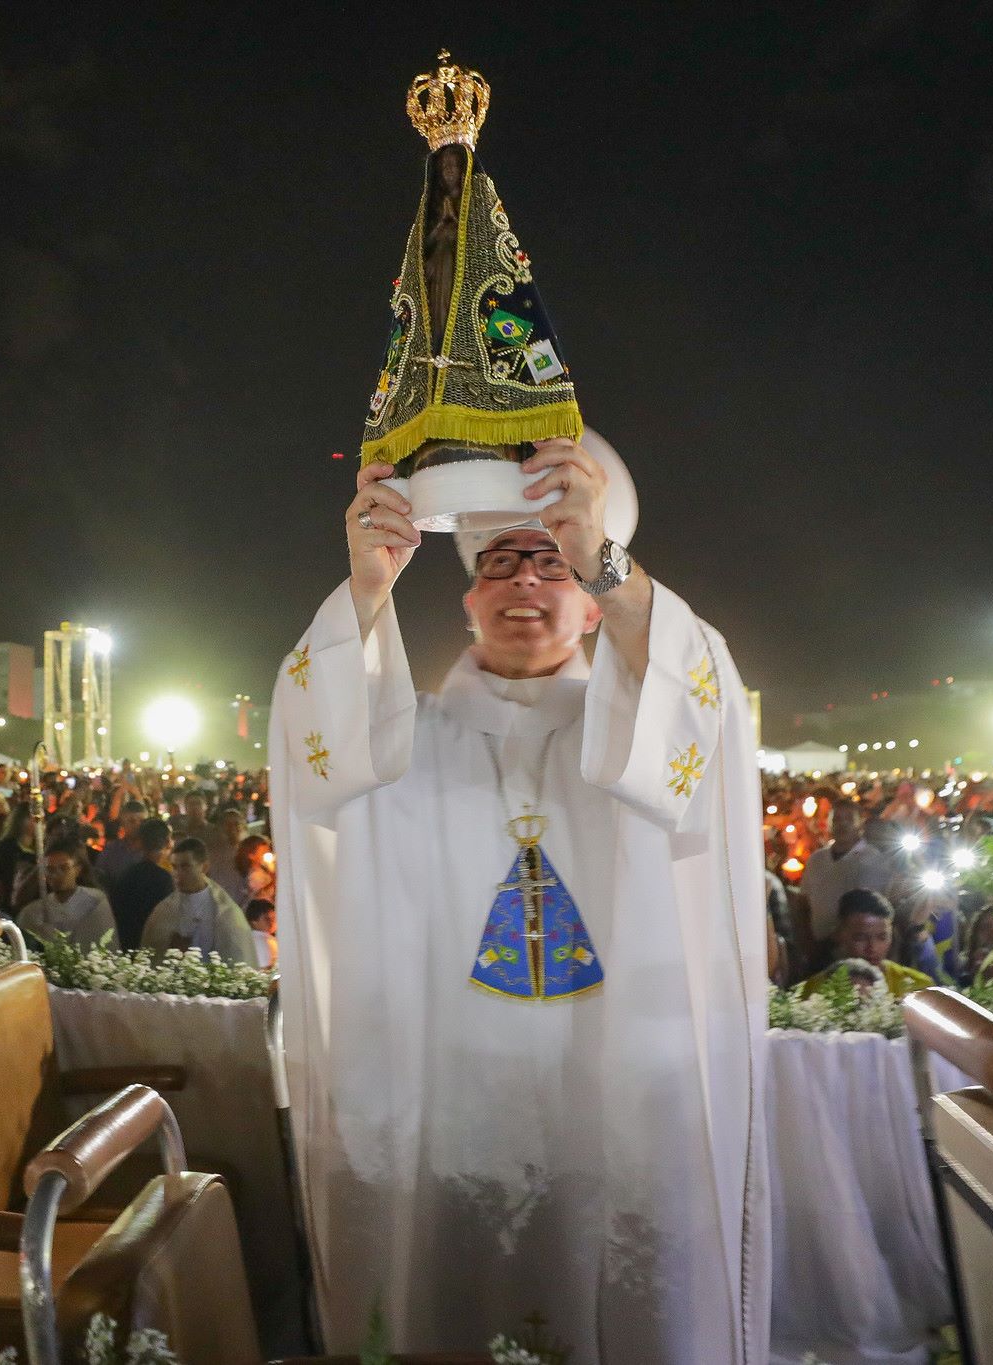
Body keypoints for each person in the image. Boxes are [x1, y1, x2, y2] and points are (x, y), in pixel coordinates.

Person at [270, 441, 766, 1356]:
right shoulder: (409, 746)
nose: (525, 581)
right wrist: (367, 590)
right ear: (466, 597)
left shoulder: (635, 742)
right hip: (454, 1106)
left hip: (612, 1098)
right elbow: (317, 744)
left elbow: (710, 700)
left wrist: (608, 561)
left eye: (552, 562)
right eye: (501, 560)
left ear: (586, 597)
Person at [797, 801, 891, 970]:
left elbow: (871, 907)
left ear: (860, 823)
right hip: (817, 946)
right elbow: (804, 902)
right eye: (837, 819)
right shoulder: (817, 859)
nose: (842, 824)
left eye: (849, 819)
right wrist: (806, 939)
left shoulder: (872, 860)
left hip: (856, 949)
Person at [797, 889, 934, 1000]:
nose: (872, 948)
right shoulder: (815, 990)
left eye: (882, 937)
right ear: (839, 935)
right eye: (860, 938)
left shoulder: (918, 987)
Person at [142, 837, 257, 963]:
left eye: (185, 867)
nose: (177, 873)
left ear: (204, 867)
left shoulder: (226, 912)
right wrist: (169, 947)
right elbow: (152, 955)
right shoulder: (164, 911)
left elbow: (238, 957)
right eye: (174, 867)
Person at [17, 842, 115, 949]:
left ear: (77, 869)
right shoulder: (33, 911)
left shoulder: (96, 902)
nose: (57, 875)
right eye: (50, 869)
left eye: (64, 868)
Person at [109, 818, 176, 950]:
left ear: (140, 843)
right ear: (168, 842)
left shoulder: (127, 874)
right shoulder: (165, 879)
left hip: (125, 945)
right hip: (150, 949)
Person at [95, 798, 148, 886]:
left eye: (142, 821)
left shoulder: (151, 850)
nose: (138, 825)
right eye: (132, 821)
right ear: (122, 823)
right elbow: (99, 878)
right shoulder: (111, 850)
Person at [246, 897, 278, 970]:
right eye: (266, 919)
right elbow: (264, 970)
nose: (271, 922)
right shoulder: (259, 941)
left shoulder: (266, 938)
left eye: (273, 918)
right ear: (254, 921)